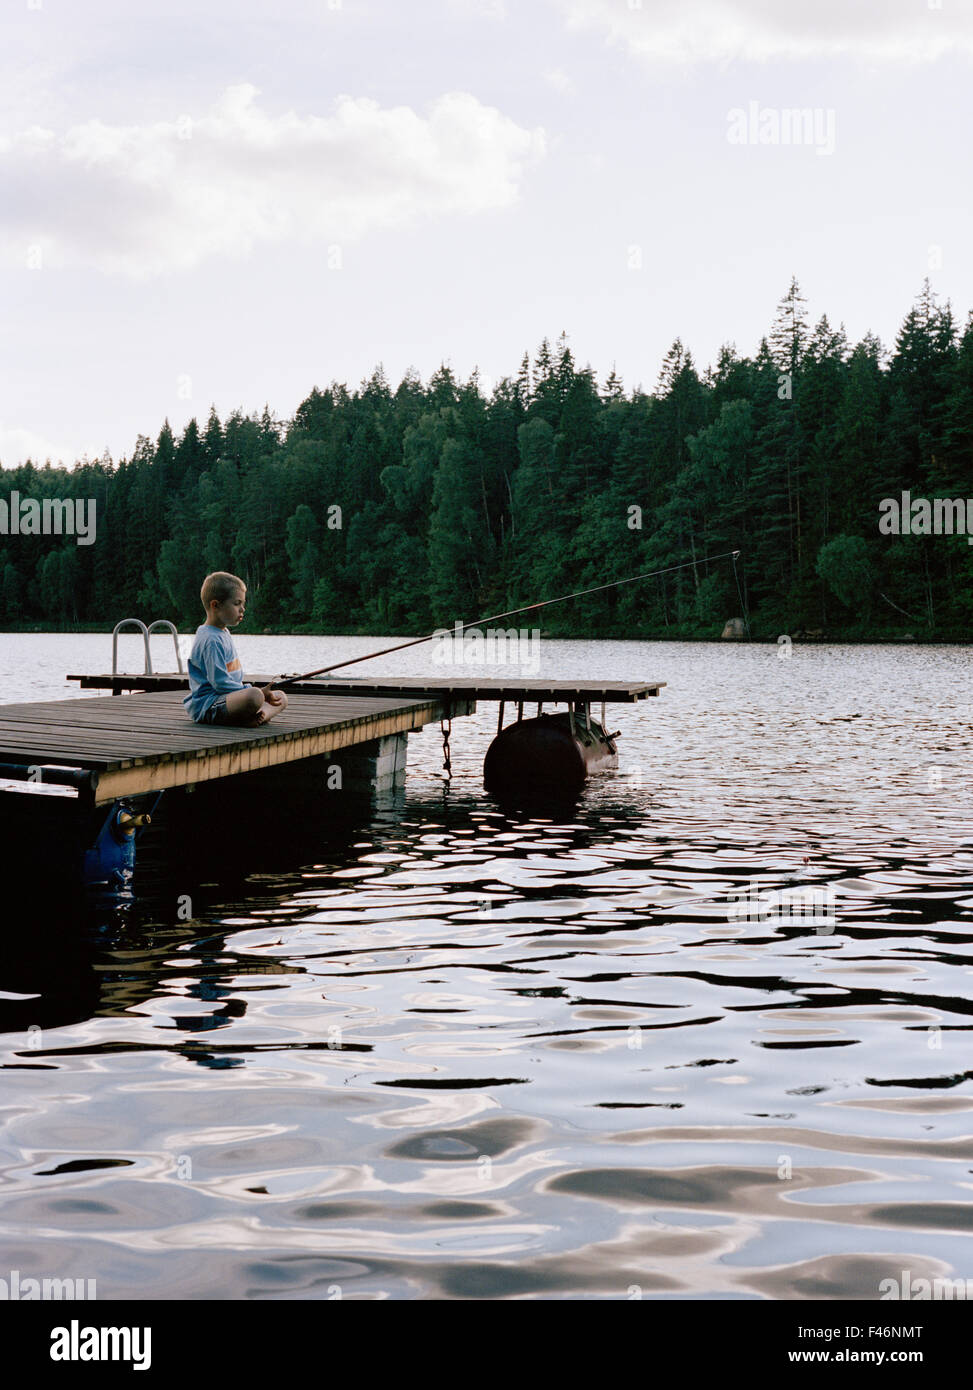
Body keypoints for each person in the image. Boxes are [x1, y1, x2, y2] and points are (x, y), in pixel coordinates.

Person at [183, 571, 288, 726]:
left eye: (242, 604)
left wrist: (260, 693)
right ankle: (249, 716)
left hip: (228, 699)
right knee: (254, 696)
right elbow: (221, 684)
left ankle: (259, 717)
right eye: (237, 603)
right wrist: (256, 692)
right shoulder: (211, 640)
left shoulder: (222, 632)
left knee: (281, 697)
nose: (242, 609)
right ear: (215, 605)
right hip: (209, 705)